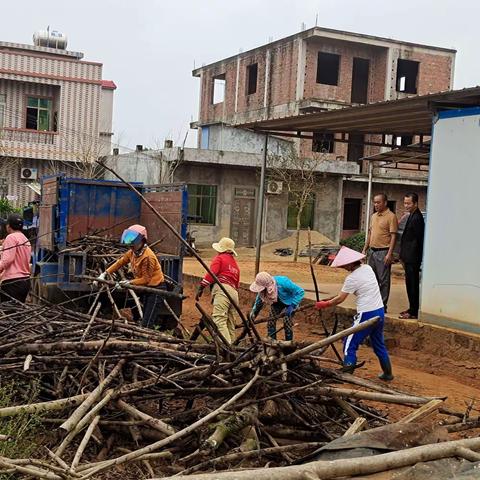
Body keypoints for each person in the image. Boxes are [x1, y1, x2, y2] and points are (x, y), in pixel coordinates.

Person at [315, 246, 393, 381]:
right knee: (378, 344)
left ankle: (347, 373)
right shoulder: (368, 268)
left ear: (351, 263)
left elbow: (340, 299)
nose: (344, 267)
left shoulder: (351, 279)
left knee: (349, 342)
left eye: (345, 265)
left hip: (366, 313)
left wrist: (325, 304)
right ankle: (388, 373)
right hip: (379, 311)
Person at [97, 224, 165, 328]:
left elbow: (146, 279)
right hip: (145, 289)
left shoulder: (148, 257)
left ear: (142, 240)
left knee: (147, 322)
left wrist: (129, 283)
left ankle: (146, 339)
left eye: (134, 242)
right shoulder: (133, 252)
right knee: (139, 315)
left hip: (155, 290)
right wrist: (105, 273)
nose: (131, 245)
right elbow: (120, 263)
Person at [195, 237, 240, 344]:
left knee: (219, 319)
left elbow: (211, 274)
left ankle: (227, 347)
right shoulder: (235, 264)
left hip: (223, 290)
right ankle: (233, 345)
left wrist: (201, 287)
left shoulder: (219, 259)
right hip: (234, 293)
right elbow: (237, 283)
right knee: (230, 323)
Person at [362, 193, 398, 311]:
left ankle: (383, 305)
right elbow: (370, 234)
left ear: (385, 203)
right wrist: (364, 249)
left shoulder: (391, 216)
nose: (376, 204)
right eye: (375, 202)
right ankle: (374, 304)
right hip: (372, 251)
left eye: (378, 202)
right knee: (372, 279)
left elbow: (393, 236)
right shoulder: (373, 216)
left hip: (383, 252)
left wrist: (389, 254)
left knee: (384, 280)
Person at [249, 272, 304, 341]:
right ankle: (272, 341)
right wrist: (253, 315)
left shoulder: (283, 282)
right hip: (277, 303)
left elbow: (300, 291)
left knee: (287, 321)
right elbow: (258, 303)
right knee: (271, 321)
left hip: (291, 303)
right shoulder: (263, 292)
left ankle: (289, 344)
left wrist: (292, 306)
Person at [399, 193, 425, 320]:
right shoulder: (411, 215)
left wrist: (410, 257)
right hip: (408, 257)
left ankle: (414, 311)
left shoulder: (417, 218)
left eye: (409, 203)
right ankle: (411, 307)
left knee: (413, 284)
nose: (406, 205)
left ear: (415, 203)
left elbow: (417, 240)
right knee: (409, 284)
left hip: (412, 258)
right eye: (405, 203)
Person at [0, 214, 32, 303]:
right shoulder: (25, 239)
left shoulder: (11, 237)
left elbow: (7, 260)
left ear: (8, 226)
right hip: (25, 281)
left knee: (9, 313)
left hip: (12, 282)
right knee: (17, 313)